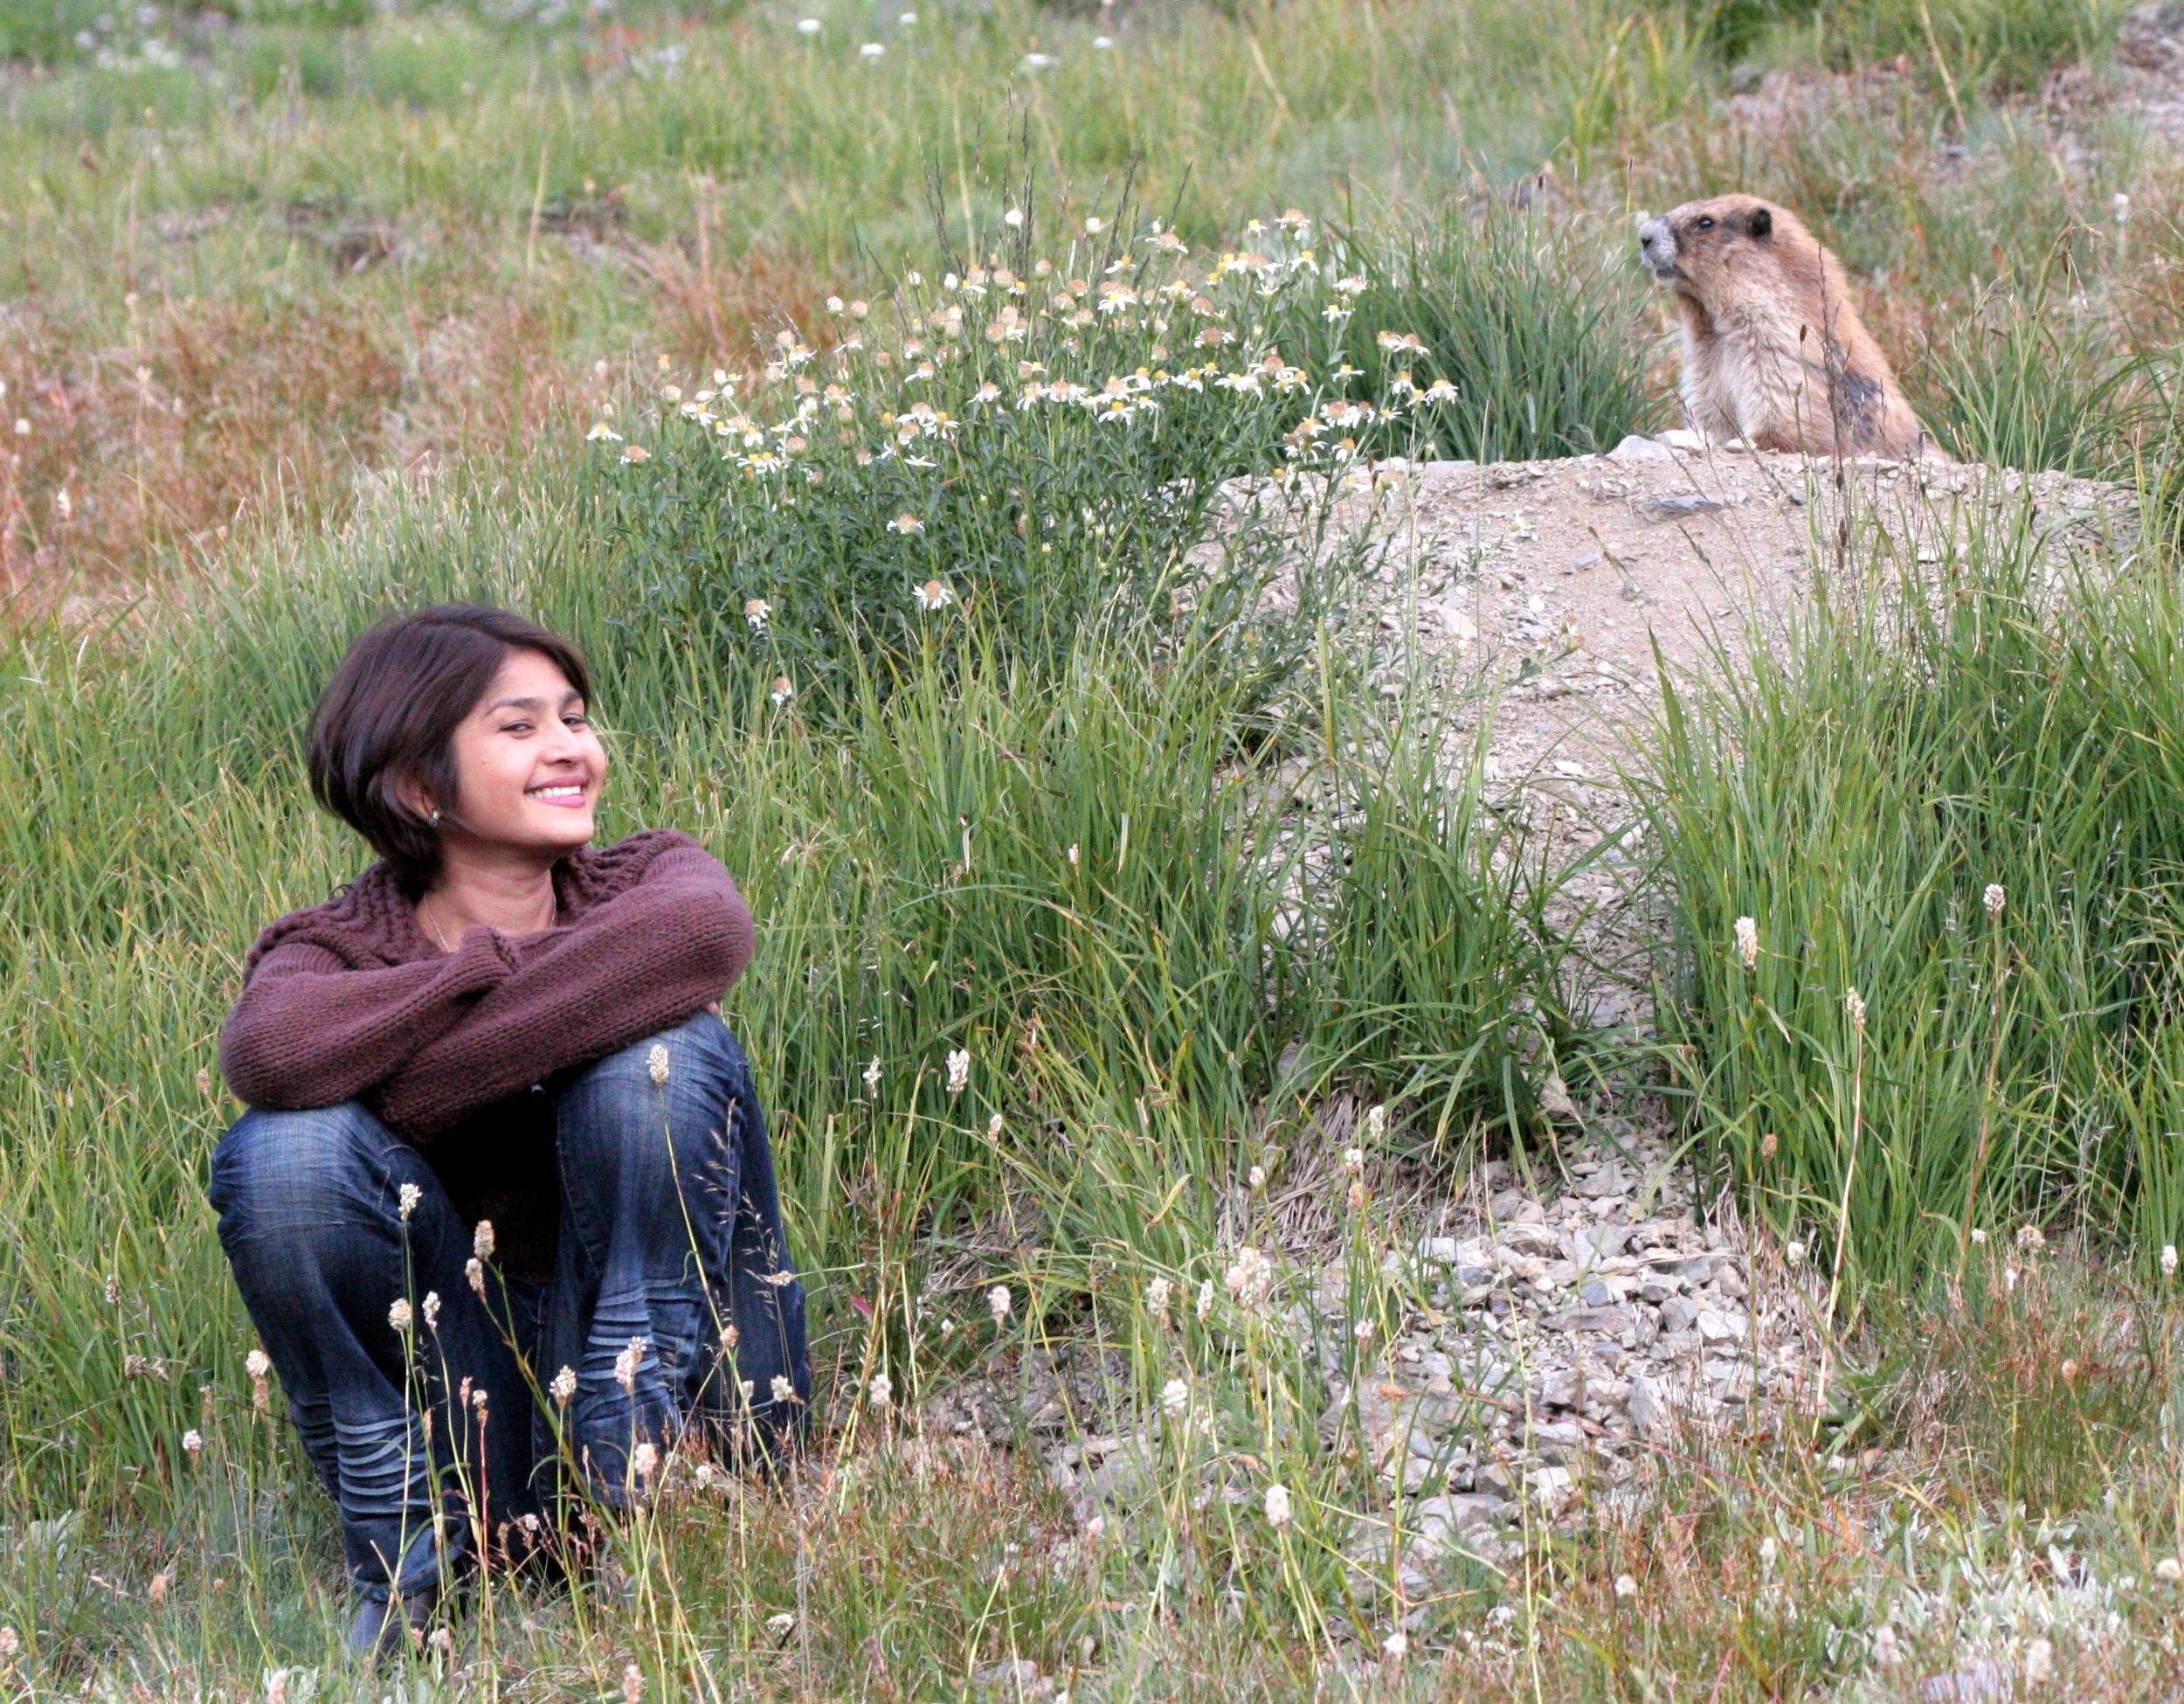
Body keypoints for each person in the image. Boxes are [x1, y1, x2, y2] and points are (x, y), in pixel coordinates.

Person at [211, 604, 809, 1659]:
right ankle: (409, 1556)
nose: (572, 748)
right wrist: (502, 986)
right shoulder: (328, 952)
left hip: (693, 1390)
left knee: (650, 1069)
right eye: (521, 727)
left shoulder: (652, 881)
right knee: (285, 1152)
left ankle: (655, 1510)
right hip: (482, 1437)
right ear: (418, 785)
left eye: (575, 719)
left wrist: (420, 1048)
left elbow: (704, 934)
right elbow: (269, 1054)